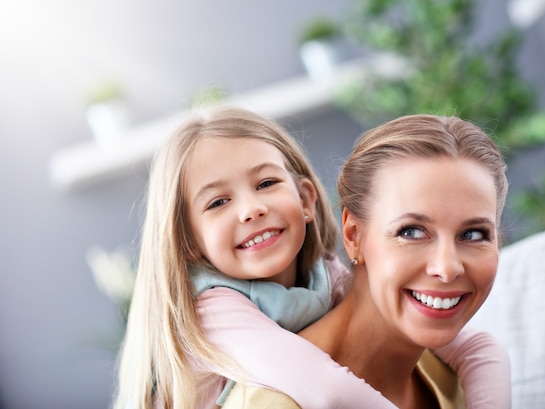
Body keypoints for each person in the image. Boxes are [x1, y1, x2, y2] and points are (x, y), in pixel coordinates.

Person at [113, 107, 510, 409]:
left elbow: (479, 348)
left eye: (266, 183)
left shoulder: (327, 277)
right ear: (189, 242)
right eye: (218, 202)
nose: (251, 209)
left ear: (305, 198)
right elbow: (325, 387)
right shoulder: (211, 309)